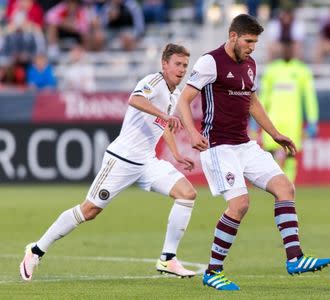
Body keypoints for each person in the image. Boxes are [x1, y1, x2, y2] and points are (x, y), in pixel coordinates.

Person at [176, 14, 330, 291]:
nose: (252, 47)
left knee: (285, 187)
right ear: (233, 36)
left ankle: (295, 258)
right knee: (240, 205)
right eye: (248, 41)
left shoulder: (250, 64)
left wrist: (275, 133)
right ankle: (213, 271)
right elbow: (184, 100)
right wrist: (191, 133)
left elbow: (252, 101)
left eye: (255, 42)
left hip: (244, 144)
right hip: (218, 146)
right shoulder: (210, 62)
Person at [20, 43, 198, 281]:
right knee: (89, 210)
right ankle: (36, 250)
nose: (182, 69)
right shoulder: (153, 82)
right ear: (164, 64)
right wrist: (165, 114)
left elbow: (162, 126)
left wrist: (175, 154)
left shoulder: (175, 93)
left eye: (185, 65)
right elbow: (134, 99)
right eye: (177, 64)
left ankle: (168, 259)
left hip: (147, 162)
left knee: (187, 194)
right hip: (122, 160)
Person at [259, 40, 318, 183]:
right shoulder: (271, 70)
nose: (287, 50)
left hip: (293, 120)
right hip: (273, 119)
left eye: (290, 47)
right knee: (271, 154)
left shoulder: (302, 71)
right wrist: (255, 122)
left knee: (291, 154)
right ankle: (273, 184)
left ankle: (289, 185)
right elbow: (263, 97)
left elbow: (309, 98)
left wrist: (312, 121)